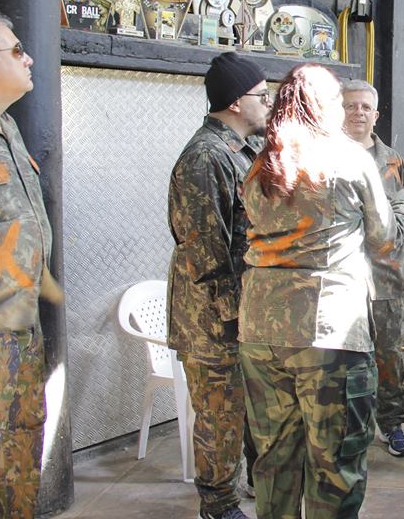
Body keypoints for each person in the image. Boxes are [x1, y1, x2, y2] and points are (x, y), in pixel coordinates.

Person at [237, 64, 404, 519]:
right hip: (328, 333)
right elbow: (384, 238)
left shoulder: (262, 163)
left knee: (274, 459)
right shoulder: (349, 158)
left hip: (259, 330)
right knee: (336, 464)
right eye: (340, 101)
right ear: (324, 107)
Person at [167, 52, 270, 519]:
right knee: (219, 417)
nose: (268, 104)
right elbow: (205, 255)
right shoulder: (205, 158)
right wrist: (236, 318)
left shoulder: (242, 149)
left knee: (246, 411)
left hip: (241, 313)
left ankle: (249, 485)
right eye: (262, 96)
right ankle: (218, 504)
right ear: (234, 103)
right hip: (212, 319)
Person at [0, 12, 62, 519]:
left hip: (20, 326)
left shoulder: (9, 129)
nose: (30, 57)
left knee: (21, 442)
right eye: (17, 50)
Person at [341, 79, 404, 458]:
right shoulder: (327, 156)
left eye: (365, 107)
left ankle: (392, 424)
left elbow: (400, 225)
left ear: (376, 115)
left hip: (384, 278)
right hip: (339, 280)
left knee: (388, 353)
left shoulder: (393, 162)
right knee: (343, 357)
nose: (358, 113)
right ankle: (347, 427)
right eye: (350, 105)